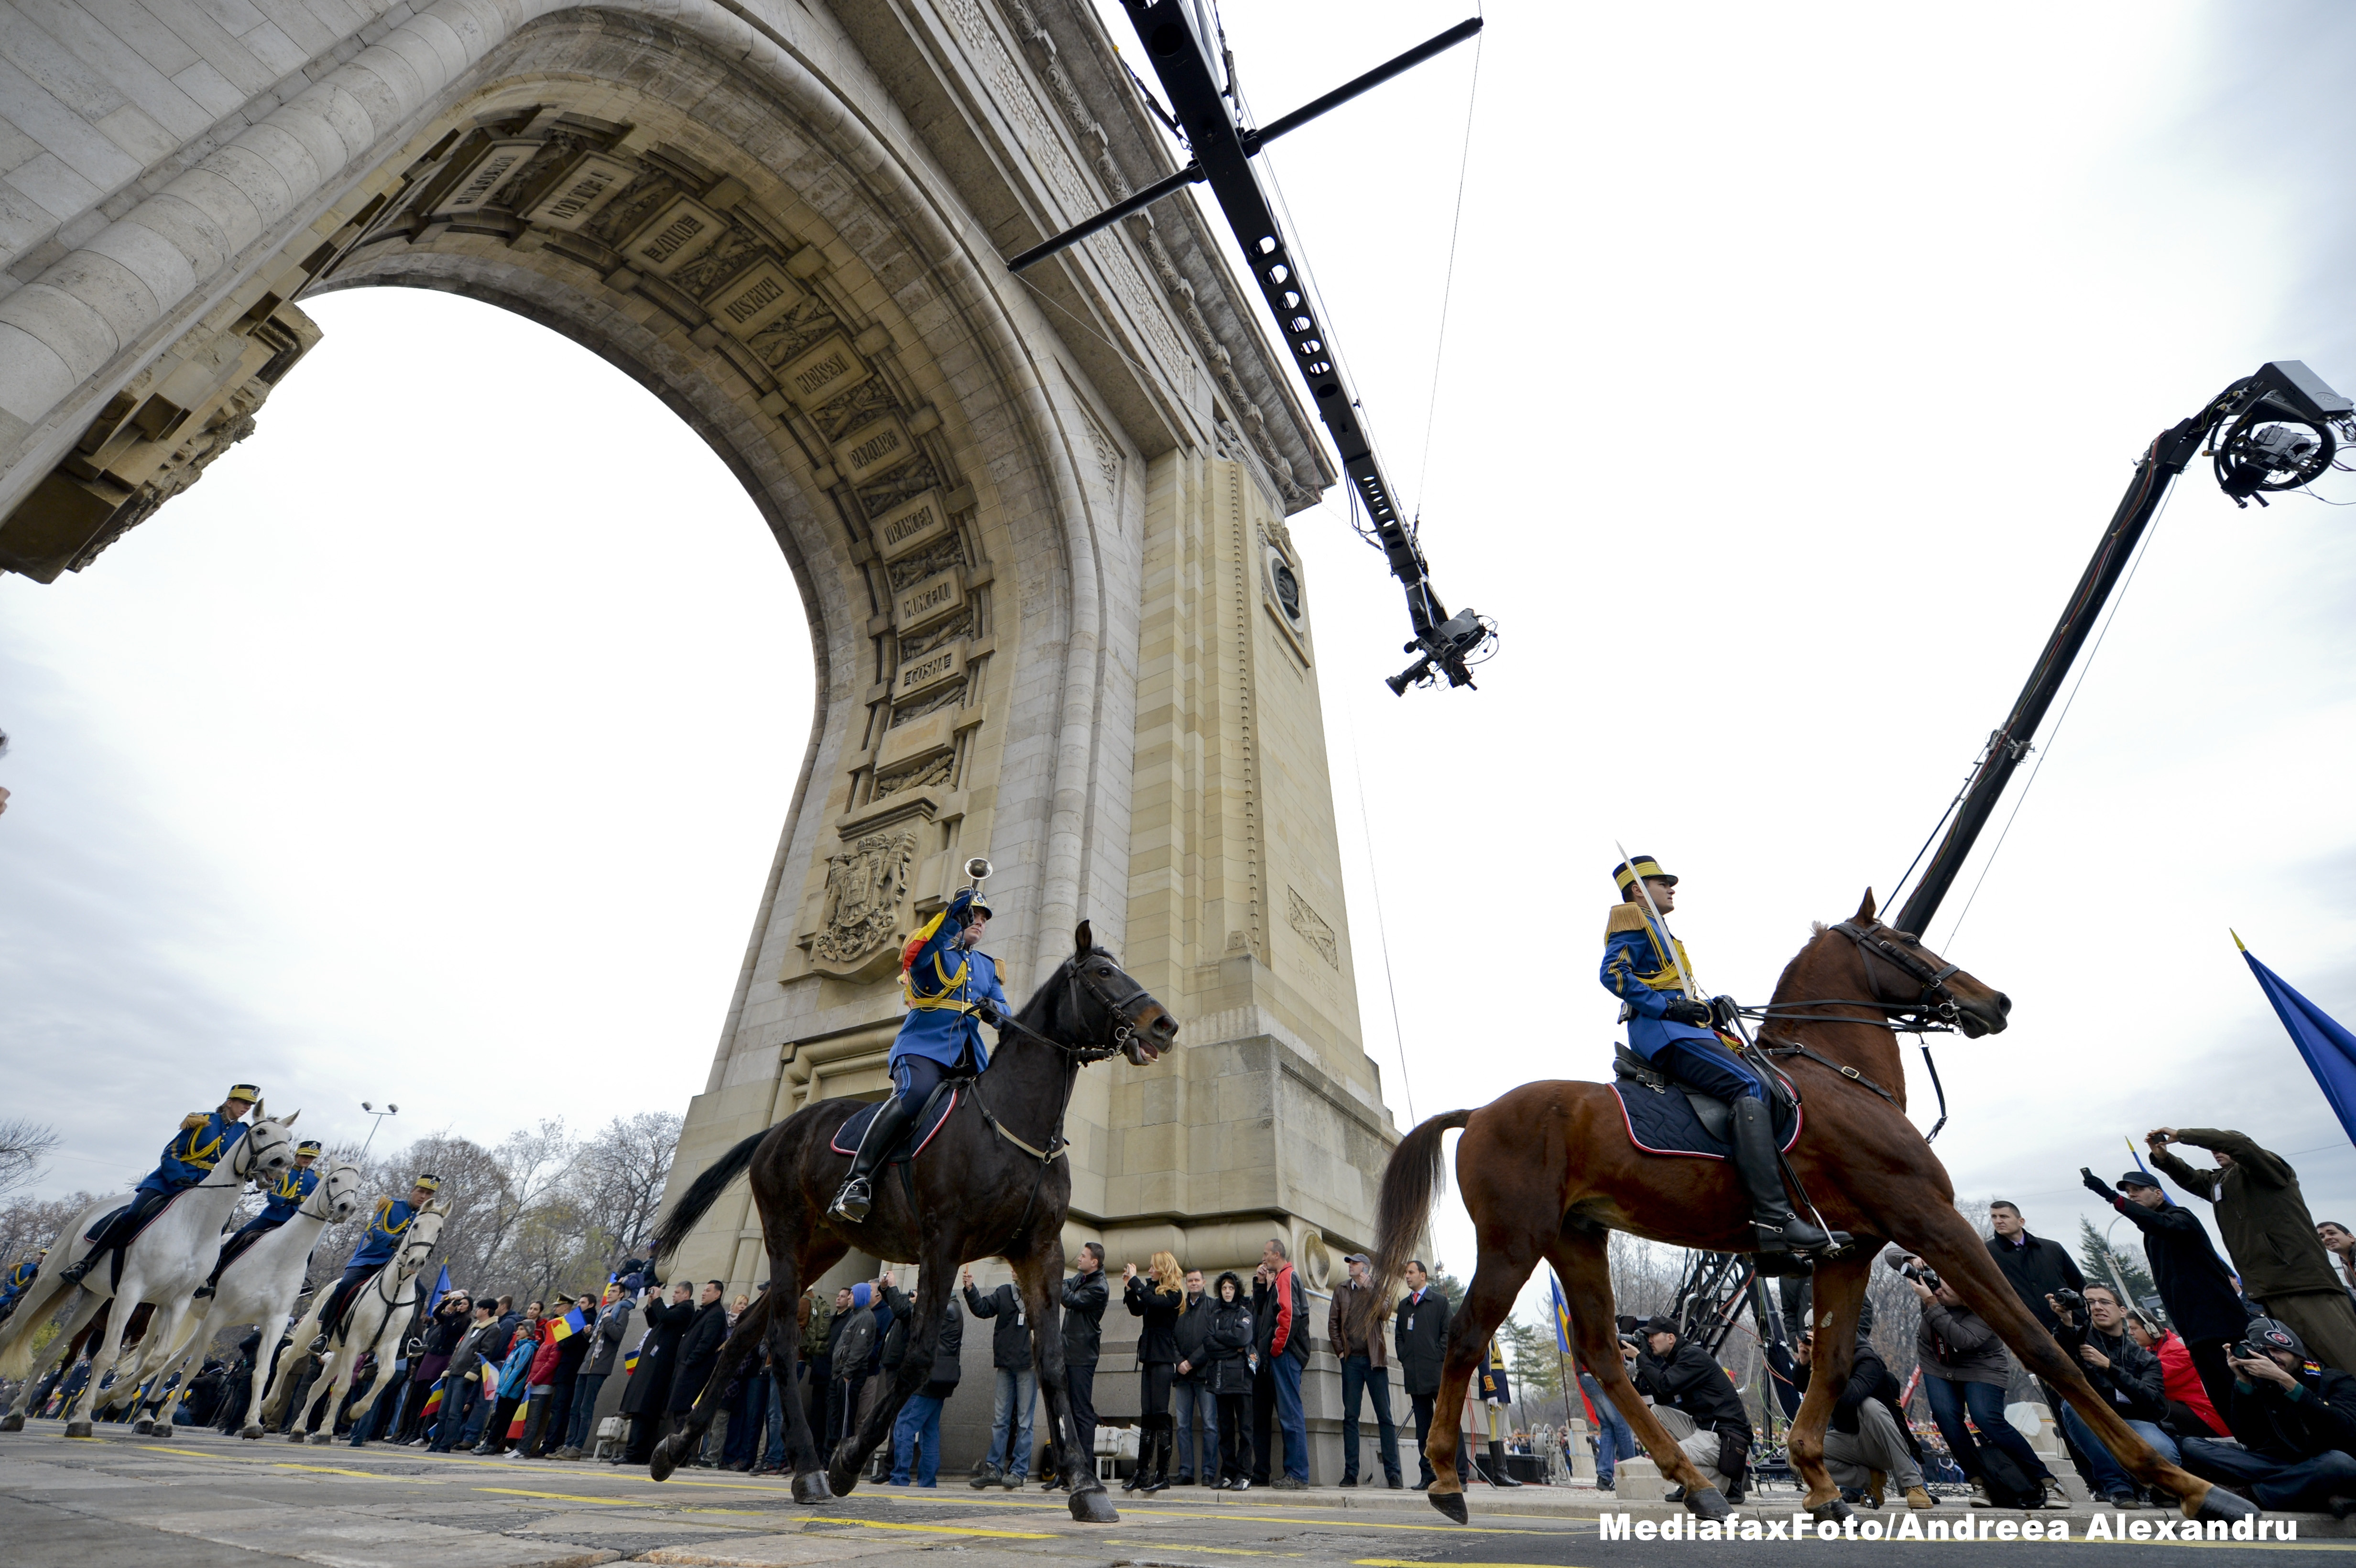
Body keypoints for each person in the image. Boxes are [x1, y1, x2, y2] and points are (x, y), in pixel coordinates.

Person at [1600, 857, 1828, 1252]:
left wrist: (1708, 1006)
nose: (1672, 889)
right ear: (1639, 890)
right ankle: (1774, 1218)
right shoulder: (1632, 919)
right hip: (1665, 1031)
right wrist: (1668, 1009)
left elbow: (1675, 988)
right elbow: (1613, 974)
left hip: (1685, 1026)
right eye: (1662, 883)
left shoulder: (1663, 932)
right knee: (1749, 1084)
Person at [830, 884, 1010, 1222]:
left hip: (969, 1059)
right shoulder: (935, 951)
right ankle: (856, 1181)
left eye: (985, 919)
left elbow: (1007, 1017)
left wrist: (994, 1012)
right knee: (915, 1094)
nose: (980, 923)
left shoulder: (987, 968)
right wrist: (951, 921)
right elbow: (920, 954)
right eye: (974, 915)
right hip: (923, 1049)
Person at [2148, 1127, 2356, 1374]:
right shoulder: (2221, 1182)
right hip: (2266, 1290)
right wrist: (2164, 1158)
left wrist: (2183, 1136)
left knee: (2346, 1359)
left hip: (2305, 1283)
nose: (2215, 1152)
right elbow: (2192, 1179)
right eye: (2213, 1149)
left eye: (2218, 1146)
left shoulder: (2269, 1170)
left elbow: (2240, 1143)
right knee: (2314, 1372)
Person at [1898, 1254, 2062, 1509]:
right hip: (1938, 1365)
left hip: (1982, 1368)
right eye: (1938, 1285)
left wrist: (1930, 1302)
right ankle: (1979, 1483)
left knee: (1986, 1418)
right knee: (1945, 1417)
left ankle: (2049, 1483)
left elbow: (1962, 1340)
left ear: (1969, 1295)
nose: (1939, 1291)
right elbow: (1890, 1256)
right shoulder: (1936, 1292)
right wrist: (1912, 1259)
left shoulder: (1987, 1309)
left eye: (1946, 1291)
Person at [2080, 1165, 2248, 1413]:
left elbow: (2160, 1223)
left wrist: (2113, 1198)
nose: (2132, 1195)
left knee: (2243, 1384)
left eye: (2138, 1190)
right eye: (2128, 1192)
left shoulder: (2181, 1217)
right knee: (2223, 1396)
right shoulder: (2152, 1234)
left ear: (2159, 1194)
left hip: (2221, 1324)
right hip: (2193, 1329)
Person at [59, 1084, 260, 1288]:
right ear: (229, 1102)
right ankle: (86, 1263)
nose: (246, 1108)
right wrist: (178, 1176)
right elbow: (170, 1152)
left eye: (250, 1105)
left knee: (218, 1226)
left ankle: (200, 1279)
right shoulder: (203, 1121)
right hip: (169, 1180)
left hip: (203, 1187)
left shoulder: (242, 1132)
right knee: (132, 1214)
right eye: (244, 1103)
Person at [2176, 1316, 2356, 1514]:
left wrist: (2286, 1382)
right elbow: (2248, 1438)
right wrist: (2243, 1383)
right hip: (2279, 1463)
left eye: (2278, 1351)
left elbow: (2346, 1431)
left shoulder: (2336, 1381)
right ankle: (2308, 1490)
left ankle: (2250, 1494)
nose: (2272, 1359)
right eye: (2265, 1353)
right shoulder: (2260, 1384)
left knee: (2339, 1464)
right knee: (2191, 1446)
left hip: (2329, 1459)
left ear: (2298, 1356)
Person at [2046, 1282, 2178, 1508]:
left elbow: (2155, 1404)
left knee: (2166, 1451)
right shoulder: (2078, 1339)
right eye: (2091, 1303)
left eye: (2105, 1302)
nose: (2098, 1307)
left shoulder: (2145, 1357)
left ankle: (2158, 1486)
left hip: (2136, 1421)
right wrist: (2066, 1322)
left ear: (2122, 1311)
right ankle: (2118, 1487)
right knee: (2072, 1405)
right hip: (2097, 1419)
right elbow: (2058, 1362)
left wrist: (2110, 1368)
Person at [1789, 1327, 1934, 1509]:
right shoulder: (1823, 1360)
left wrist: (1826, 1362)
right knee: (1796, 1453)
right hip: (1849, 1441)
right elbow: (1801, 1387)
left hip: (1884, 1444)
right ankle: (1870, 1479)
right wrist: (1804, 1361)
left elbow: (1852, 1397)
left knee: (1869, 1406)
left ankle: (1914, 1484)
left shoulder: (1867, 1359)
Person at [1631, 1316, 1754, 1503]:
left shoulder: (1692, 1356)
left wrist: (1640, 1358)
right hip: (1704, 1429)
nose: (1649, 1341)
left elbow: (1666, 1385)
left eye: (1653, 1336)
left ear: (1670, 1338)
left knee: (1664, 1460)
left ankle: (1728, 1482)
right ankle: (1689, 1482)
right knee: (1657, 1411)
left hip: (1723, 1437)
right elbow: (1663, 1398)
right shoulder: (1678, 1359)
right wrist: (1645, 1361)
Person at [316, 1175, 441, 1347]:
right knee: (346, 1285)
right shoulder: (391, 1205)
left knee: (421, 1293)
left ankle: (410, 1340)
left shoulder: (429, 1218)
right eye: (421, 1191)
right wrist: (394, 1241)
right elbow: (372, 1231)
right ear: (413, 1191)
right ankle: (324, 1334)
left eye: (429, 1194)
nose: (424, 1197)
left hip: (401, 1268)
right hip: (372, 1260)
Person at [196, 1138, 322, 1300]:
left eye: (311, 1158)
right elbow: (271, 1195)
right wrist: (286, 1201)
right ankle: (214, 1269)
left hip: (295, 1222)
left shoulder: (316, 1178)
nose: (307, 1160)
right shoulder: (282, 1171)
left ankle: (299, 1283)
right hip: (274, 1216)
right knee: (242, 1235)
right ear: (297, 1154)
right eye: (305, 1155)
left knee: (308, 1250)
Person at [1328, 1252, 1402, 1488]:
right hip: (1351, 1362)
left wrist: (1370, 1289)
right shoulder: (1341, 1289)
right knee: (1350, 1417)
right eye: (1349, 1263)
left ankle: (1393, 1474)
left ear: (1366, 1269)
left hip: (1375, 1362)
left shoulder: (1379, 1289)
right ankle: (1351, 1474)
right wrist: (1341, 1353)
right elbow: (1333, 1323)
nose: (1350, 1266)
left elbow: (1384, 1313)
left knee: (1385, 1417)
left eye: (1355, 1263)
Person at [962, 1265, 1036, 1490]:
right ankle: (994, 1468)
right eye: (1012, 1266)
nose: (1014, 1270)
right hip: (1005, 1364)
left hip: (1028, 1365)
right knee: (1000, 1420)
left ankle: (1019, 1471)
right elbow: (983, 1309)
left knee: (1025, 1421)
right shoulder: (1004, 1292)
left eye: (1018, 1266)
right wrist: (970, 1289)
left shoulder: (1036, 1295)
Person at [1045, 1242, 1108, 1491]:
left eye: (1083, 1256)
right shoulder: (1082, 1278)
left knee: (1082, 1413)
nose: (1079, 1258)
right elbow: (1068, 1289)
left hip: (1082, 1356)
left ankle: (1084, 1470)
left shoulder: (1099, 1287)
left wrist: (1058, 1275)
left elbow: (1068, 1299)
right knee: (1067, 1411)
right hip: (1069, 1352)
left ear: (1095, 1262)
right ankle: (1066, 1471)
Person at [1122, 1250, 1184, 1493]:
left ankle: (1162, 1473)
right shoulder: (1151, 1290)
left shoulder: (1173, 1294)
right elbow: (1139, 1309)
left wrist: (1137, 1283)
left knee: (1160, 1414)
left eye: (1152, 1267)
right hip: (1149, 1357)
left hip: (1162, 1358)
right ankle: (1141, 1473)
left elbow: (1153, 1303)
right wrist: (1129, 1288)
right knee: (1146, 1415)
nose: (1149, 1271)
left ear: (1163, 1268)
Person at [886, 1292, 962, 1486]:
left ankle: (900, 1477)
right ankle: (927, 1482)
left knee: (904, 1425)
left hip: (927, 1379)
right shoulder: (953, 1307)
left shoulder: (946, 1310)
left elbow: (915, 1320)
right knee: (930, 1431)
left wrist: (915, 1303)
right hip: (940, 1379)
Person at [1253, 1237, 1311, 1489]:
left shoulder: (1286, 1277)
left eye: (1266, 1254)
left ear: (1277, 1254)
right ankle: (1296, 1472)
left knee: (1291, 1415)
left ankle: (1297, 1474)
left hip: (1286, 1355)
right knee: (1290, 1414)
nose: (1264, 1258)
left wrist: (1276, 1348)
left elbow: (1288, 1316)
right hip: (1286, 1354)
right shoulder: (1281, 1278)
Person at [2125, 1311, 2228, 1440]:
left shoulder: (2175, 1350)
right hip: (2195, 1411)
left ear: (2151, 1329)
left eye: (2133, 1328)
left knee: (2151, 1399)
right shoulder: (2156, 1348)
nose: (2130, 1333)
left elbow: (2147, 1382)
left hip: (2208, 1417)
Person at [1392, 1259, 1450, 1490]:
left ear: (1423, 1276)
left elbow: (1448, 1334)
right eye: (1406, 1273)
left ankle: (1458, 1476)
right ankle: (1428, 1475)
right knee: (1423, 1428)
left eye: (1411, 1272)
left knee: (1446, 1424)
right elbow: (1399, 1337)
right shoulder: (1405, 1306)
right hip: (1415, 1376)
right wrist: (1405, 1356)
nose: (1407, 1276)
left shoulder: (1440, 1302)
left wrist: (1436, 1356)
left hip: (1436, 1374)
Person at [621, 1282, 694, 1463]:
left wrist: (659, 1300)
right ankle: (636, 1451)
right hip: (650, 1363)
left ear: (686, 1295)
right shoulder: (673, 1309)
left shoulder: (685, 1310)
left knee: (644, 1408)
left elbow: (666, 1317)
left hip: (660, 1366)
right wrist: (651, 1303)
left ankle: (635, 1452)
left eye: (677, 1292)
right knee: (640, 1408)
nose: (674, 1295)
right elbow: (655, 1321)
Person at [559, 1282, 634, 1459]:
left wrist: (607, 1320)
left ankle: (577, 1447)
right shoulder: (604, 1310)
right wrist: (588, 1332)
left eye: (614, 1292)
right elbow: (596, 1337)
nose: (610, 1294)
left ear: (621, 1295)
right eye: (609, 1291)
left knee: (586, 1408)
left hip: (600, 1365)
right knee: (575, 1407)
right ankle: (569, 1444)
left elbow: (617, 1334)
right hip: (587, 1363)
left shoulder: (620, 1312)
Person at [666, 1280, 730, 1465]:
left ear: (717, 1294)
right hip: (686, 1369)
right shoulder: (705, 1312)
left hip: (694, 1372)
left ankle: (679, 1455)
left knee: (685, 1414)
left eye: (708, 1291)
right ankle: (677, 1453)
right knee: (679, 1412)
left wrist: (690, 1361)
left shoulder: (716, 1314)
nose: (703, 1293)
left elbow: (707, 1342)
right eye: (704, 1290)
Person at [1206, 1270, 1255, 1491]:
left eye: (1231, 1288)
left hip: (1241, 1380)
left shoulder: (1245, 1313)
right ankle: (1227, 1473)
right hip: (1219, 1379)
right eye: (1224, 1288)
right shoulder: (1214, 1314)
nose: (1228, 1292)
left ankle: (1244, 1474)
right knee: (1225, 1430)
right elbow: (1208, 1344)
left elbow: (1243, 1338)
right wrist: (1231, 1347)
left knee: (1245, 1429)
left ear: (1237, 1290)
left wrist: (1221, 1337)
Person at [1171, 1269, 1219, 1485]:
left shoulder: (1212, 1307)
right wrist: (1179, 1361)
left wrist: (1192, 1362)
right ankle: (1186, 1472)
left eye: (1197, 1280)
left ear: (1204, 1282)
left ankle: (1208, 1472)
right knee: (1182, 1425)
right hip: (1182, 1377)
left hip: (1204, 1374)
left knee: (1210, 1424)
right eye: (1190, 1281)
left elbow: (1212, 1339)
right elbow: (1170, 1337)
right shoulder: (1179, 1308)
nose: (1193, 1284)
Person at [0, 1246, 47, 1323]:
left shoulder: (47, 1275)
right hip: (10, 1298)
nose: (41, 1257)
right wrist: (19, 1292)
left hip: (29, 1304)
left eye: (45, 1256)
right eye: (41, 1255)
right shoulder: (24, 1267)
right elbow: (9, 1283)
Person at [2318, 1220, 2356, 1299]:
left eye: (2332, 1233)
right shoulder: (2347, 1264)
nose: (2327, 1238)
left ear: (2351, 1238)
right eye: (2322, 1237)